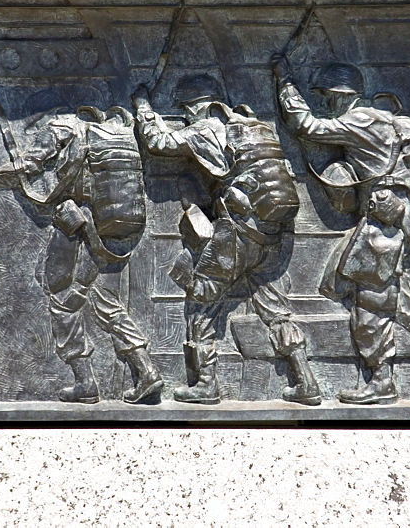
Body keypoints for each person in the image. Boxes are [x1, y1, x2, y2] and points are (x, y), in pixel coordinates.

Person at [275, 55, 410, 404]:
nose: (325, 104)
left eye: (327, 96)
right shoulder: (386, 119)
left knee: (369, 307)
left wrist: (285, 85)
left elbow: (307, 127)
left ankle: (382, 382)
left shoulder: (359, 118)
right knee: (400, 306)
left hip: (383, 228)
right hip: (394, 223)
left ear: (342, 95)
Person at [131, 74, 321, 406]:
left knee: (201, 303)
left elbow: (157, 142)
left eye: (186, 111)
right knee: (275, 309)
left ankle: (206, 384)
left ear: (194, 106)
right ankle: (306, 382)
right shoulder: (254, 125)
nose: (187, 117)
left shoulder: (203, 129)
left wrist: (143, 106)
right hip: (272, 233)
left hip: (237, 232)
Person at [0, 106, 164, 405]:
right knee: (104, 301)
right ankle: (146, 371)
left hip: (79, 224)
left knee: (62, 297)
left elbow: (28, 167)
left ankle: (86, 382)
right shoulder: (121, 133)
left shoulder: (62, 127)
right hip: (113, 227)